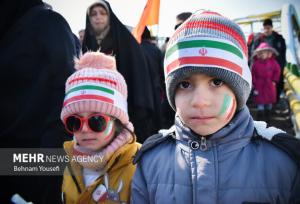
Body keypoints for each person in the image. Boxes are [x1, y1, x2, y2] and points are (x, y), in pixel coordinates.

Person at [131, 11, 300, 203]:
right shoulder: (150, 163)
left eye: (217, 82)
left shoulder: (285, 164)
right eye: (184, 84)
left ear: (239, 89)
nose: (200, 101)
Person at [0, 0, 76, 203]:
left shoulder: (49, 24)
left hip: (39, 167)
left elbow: (67, 95)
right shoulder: (8, 30)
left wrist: (46, 169)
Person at [61, 52, 140, 203]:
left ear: (117, 121)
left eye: (96, 121)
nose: (84, 129)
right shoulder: (71, 160)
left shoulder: (141, 163)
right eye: (74, 122)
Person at [82, 0, 158, 142]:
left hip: (127, 113)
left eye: (103, 13)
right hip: (95, 117)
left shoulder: (127, 43)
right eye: (93, 14)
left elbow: (139, 80)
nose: (98, 17)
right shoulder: (87, 44)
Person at [249, 18, 286, 101]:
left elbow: (283, 54)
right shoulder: (258, 39)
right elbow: (253, 53)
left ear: (272, 27)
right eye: (265, 28)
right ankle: (261, 107)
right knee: (261, 89)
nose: (266, 30)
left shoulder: (279, 39)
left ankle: (274, 103)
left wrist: (282, 66)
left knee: (275, 86)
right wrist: (253, 67)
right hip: (261, 68)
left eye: (268, 28)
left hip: (273, 67)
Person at [251, 42, 281, 121]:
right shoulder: (256, 64)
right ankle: (260, 116)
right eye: (260, 53)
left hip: (270, 84)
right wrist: (254, 82)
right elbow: (252, 74)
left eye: (264, 52)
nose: (262, 54)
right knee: (260, 102)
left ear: (269, 53)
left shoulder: (273, 62)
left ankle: (268, 116)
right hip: (259, 85)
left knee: (269, 102)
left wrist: (274, 80)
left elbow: (277, 71)